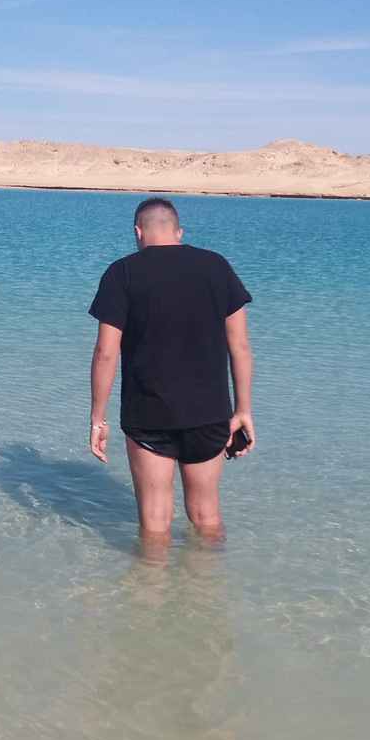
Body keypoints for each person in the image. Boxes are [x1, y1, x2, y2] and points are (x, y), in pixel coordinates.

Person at [89, 197, 253, 543]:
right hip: (209, 412)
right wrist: (243, 411)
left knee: (155, 521)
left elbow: (106, 352)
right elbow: (239, 346)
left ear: (138, 232)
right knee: (207, 516)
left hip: (148, 414)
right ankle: (207, 592)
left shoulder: (122, 272)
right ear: (179, 231)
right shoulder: (217, 266)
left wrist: (97, 420)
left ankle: (150, 594)